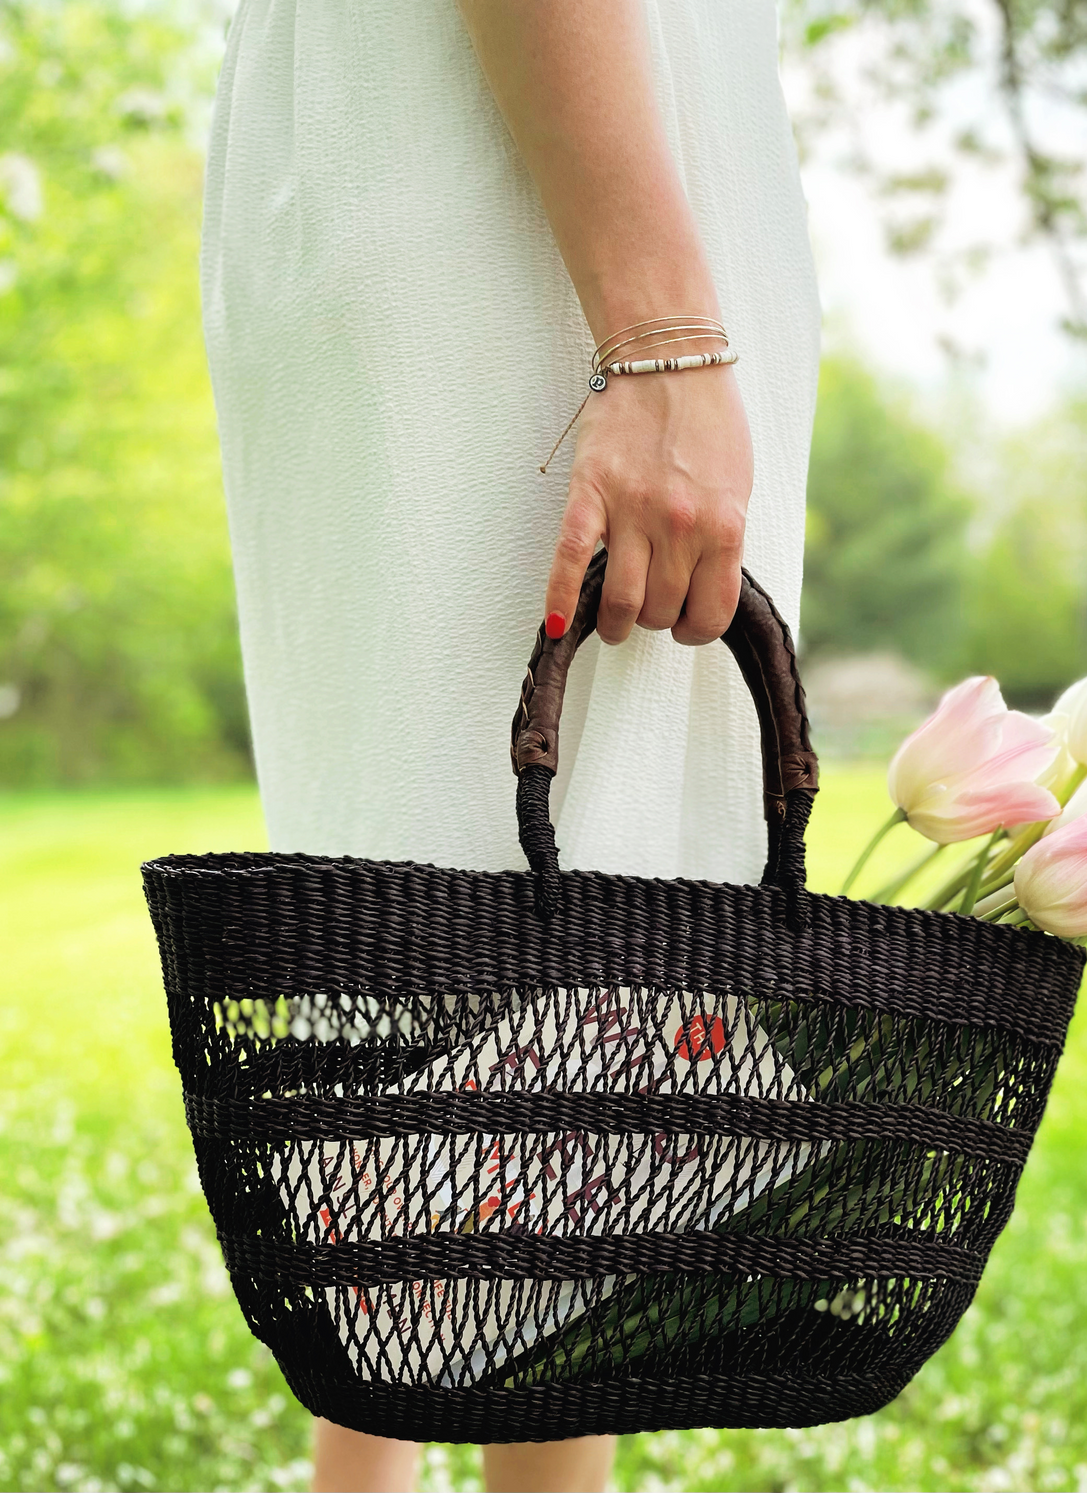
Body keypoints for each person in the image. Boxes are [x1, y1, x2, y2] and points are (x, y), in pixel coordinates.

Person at [200, 0, 819, 1488]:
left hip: (525, 152)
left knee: (516, 1010)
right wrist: (659, 333)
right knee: (509, 969)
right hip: (526, 194)